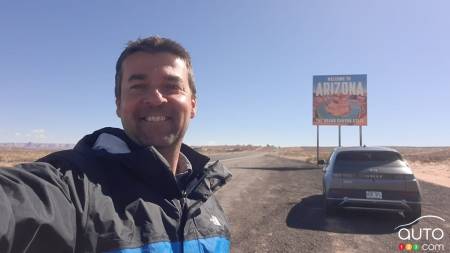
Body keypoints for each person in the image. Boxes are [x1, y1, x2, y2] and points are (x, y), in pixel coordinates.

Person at [0, 36, 232, 253]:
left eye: (172, 86)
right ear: (119, 104)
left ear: (193, 105)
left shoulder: (205, 198)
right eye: (138, 86)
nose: (155, 98)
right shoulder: (77, 188)